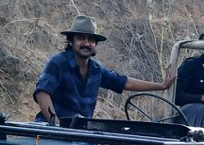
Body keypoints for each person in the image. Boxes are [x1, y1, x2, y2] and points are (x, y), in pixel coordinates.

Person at [33, 15, 175, 125]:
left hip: (80, 134)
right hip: (50, 134)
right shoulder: (57, 63)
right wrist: (56, 125)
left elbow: (124, 82)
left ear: (95, 44)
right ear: (71, 41)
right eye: (81, 38)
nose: (87, 43)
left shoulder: (96, 69)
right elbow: (42, 92)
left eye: (91, 40)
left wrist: (161, 86)